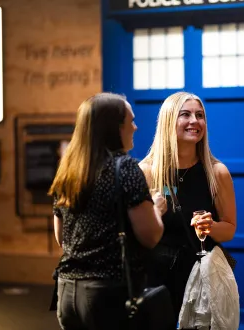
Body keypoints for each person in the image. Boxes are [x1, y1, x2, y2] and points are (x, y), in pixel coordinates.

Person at [48, 92, 167, 330]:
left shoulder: (68, 171)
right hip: (106, 293)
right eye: (130, 121)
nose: (135, 127)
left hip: (66, 291)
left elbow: (62, 238)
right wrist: (156, 208)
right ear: (114, 128)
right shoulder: (125, 169)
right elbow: (151, 236)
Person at [139, 91, 237, 324]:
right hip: (157, 276)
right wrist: (154, 213)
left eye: (200, 115)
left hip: (201, 276)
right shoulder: (148, 172)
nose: (195, 121)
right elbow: (137, 234)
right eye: (186, 115)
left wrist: (211, 227)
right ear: (168, 121)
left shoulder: (217, 172)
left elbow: (230, 229)